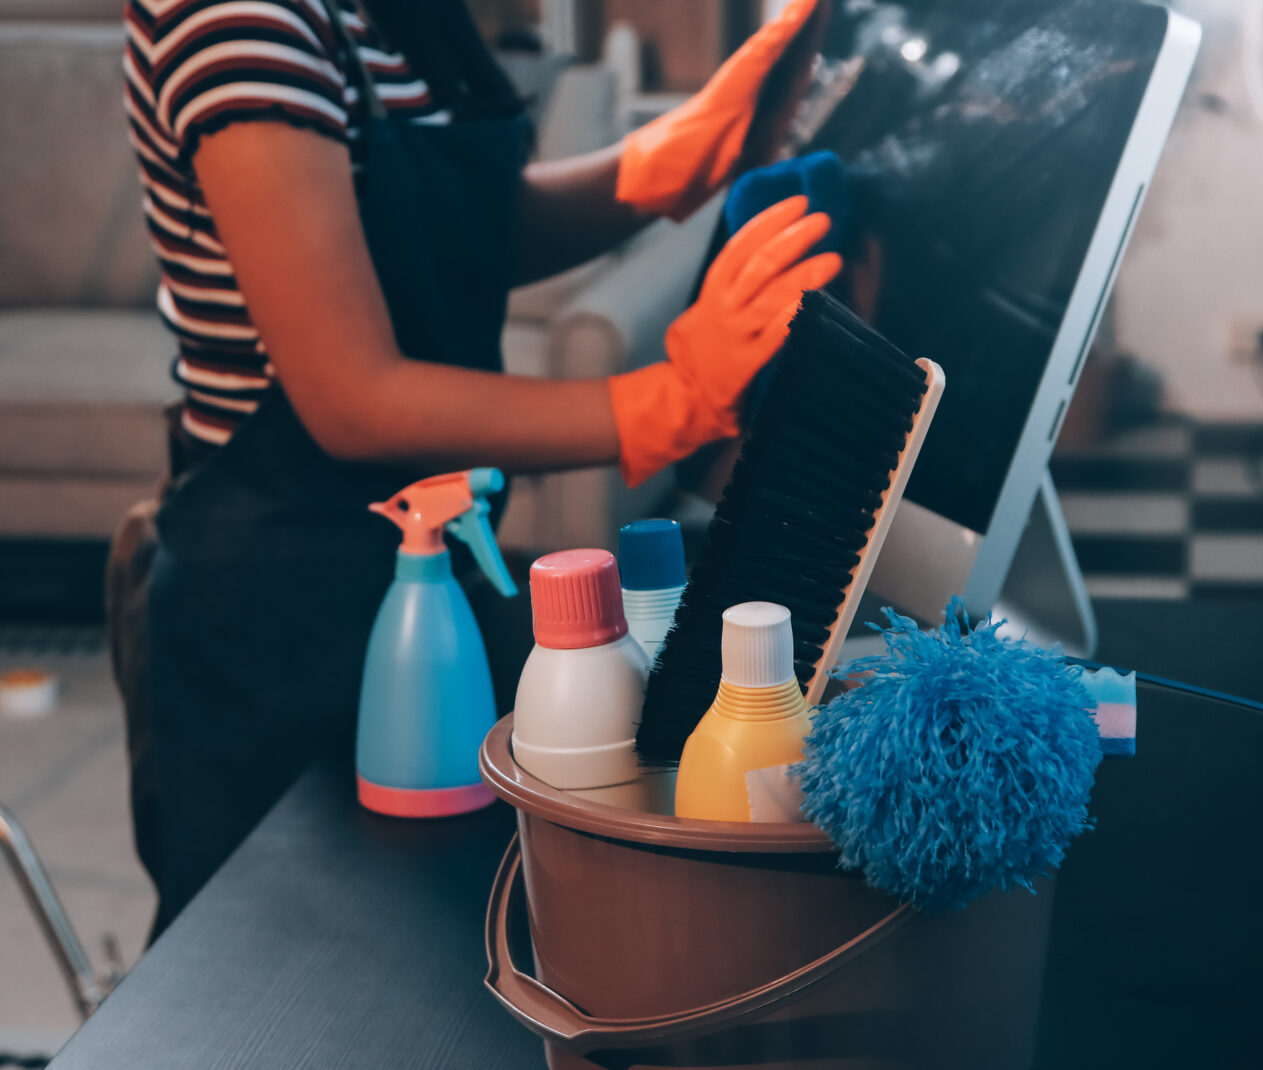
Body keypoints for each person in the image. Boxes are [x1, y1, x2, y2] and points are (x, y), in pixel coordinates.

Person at [113, 0, 839, 937]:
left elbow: (439, 230)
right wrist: (671, 402)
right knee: (286, 977)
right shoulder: (236, 21)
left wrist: (664, 164)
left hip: (427, 568)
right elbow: (351, 396)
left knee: (441, 932)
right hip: (278, 613)